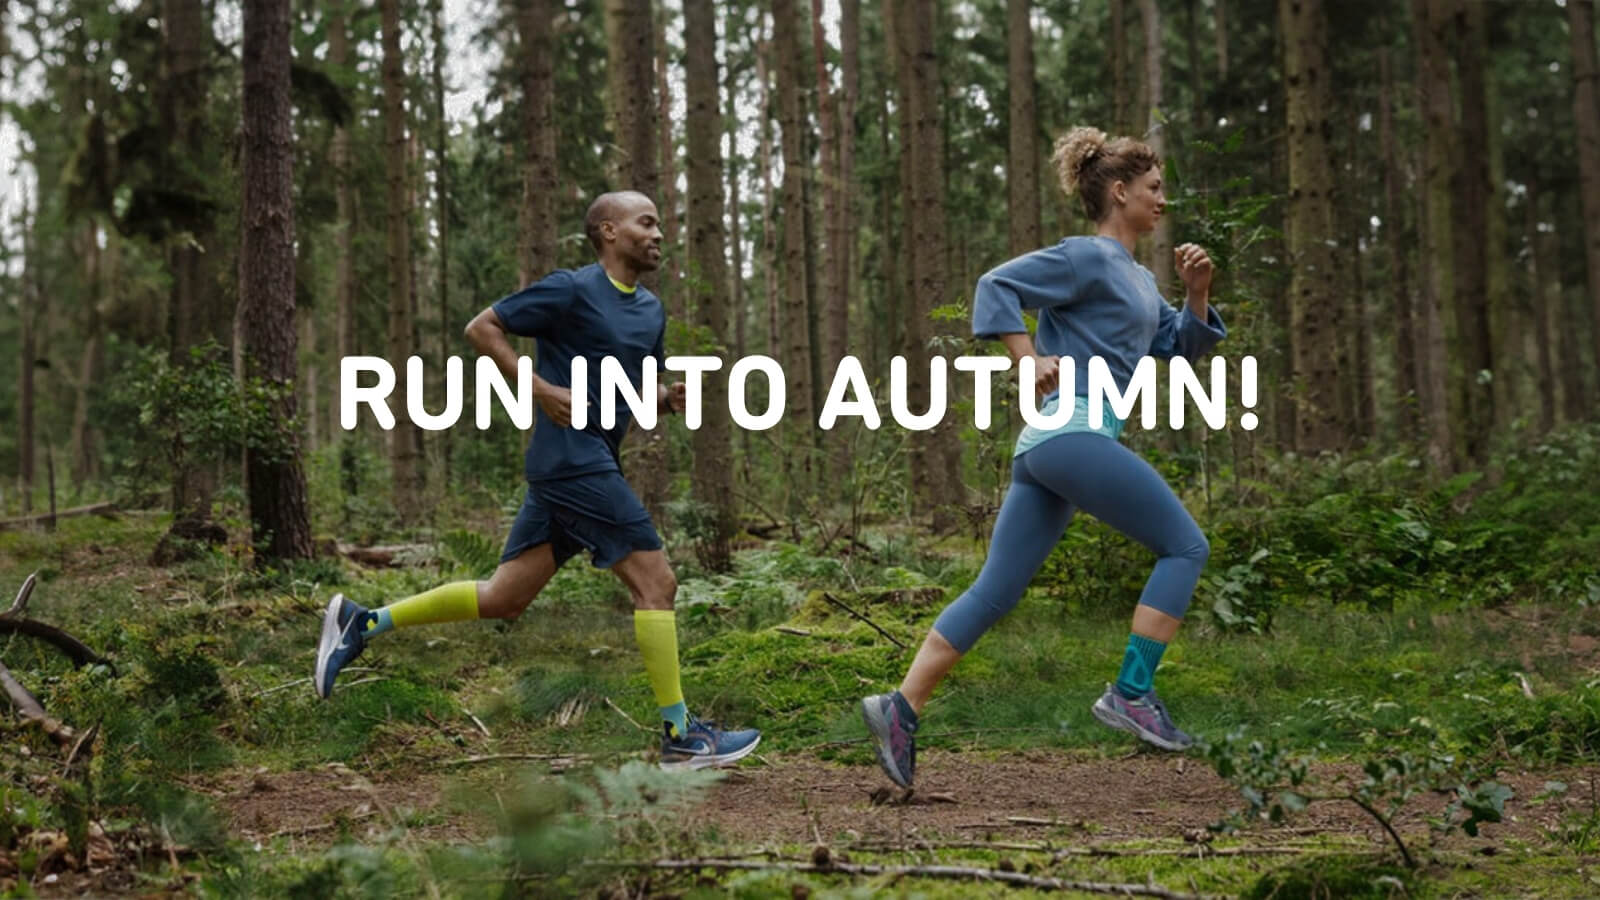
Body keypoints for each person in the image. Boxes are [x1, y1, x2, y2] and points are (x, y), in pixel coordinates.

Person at [314, 190, 760, 771]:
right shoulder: (571, 289)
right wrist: (539, 387)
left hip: (584, 461)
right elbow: (483, 328)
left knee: (505, 597)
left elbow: (630, 391)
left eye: (659, 225)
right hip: (572, 461)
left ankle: (364, 621)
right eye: (645, 223)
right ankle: (681, 735)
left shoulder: (650, 310)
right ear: (607, 231)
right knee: (657, 582)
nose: (657, 234)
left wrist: (664, 399)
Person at [859, 127, 1227, 788]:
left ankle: (899, 708)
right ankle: (1132, 694)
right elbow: (996, 284)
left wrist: (1197, 292)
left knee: (997, 590)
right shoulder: (1086, 257)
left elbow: (1178, 345)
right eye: (1153, 188)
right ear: (1120, 193)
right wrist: (1027, 359)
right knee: (1185, 547)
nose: (1162, 200)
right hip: (1070, 430)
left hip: (1052, 447)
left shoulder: (1140, 279)